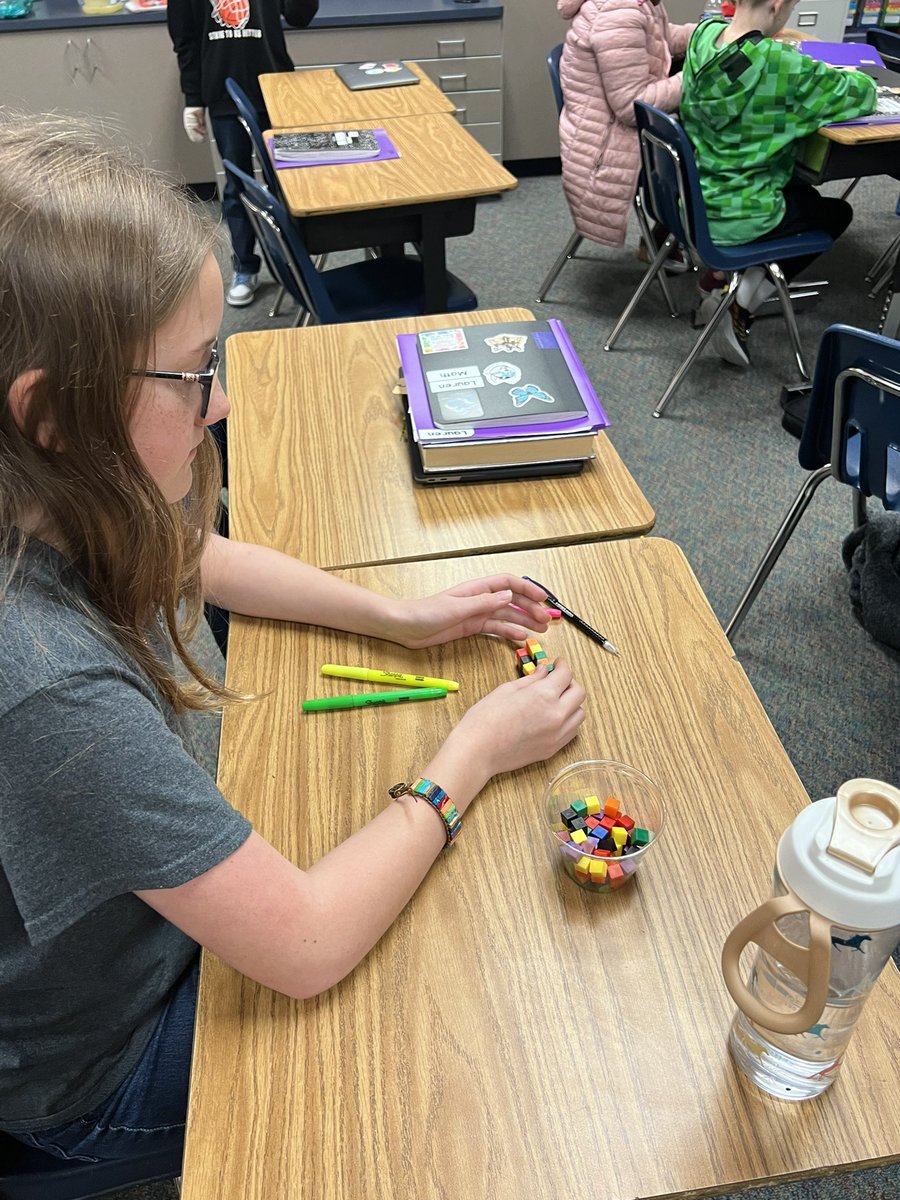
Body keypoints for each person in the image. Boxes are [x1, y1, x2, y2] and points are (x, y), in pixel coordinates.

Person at [0, 113, 587, 1163]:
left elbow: (185, 553)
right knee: (452, 1019)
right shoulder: (44, 687)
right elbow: (308, 944)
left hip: (149, 935)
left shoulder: (39, 493)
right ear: (49, 415)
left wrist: (401, 616)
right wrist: (474, 754)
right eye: (190, 376)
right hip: (96, 1065)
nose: (219, 400)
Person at [680, 0, 876, 367]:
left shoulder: (702, 38)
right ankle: (744, 302)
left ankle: (722, 280)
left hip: (696, 200)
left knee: (802, 194)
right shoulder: (780, 63)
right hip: (743, 213)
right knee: (834, 213)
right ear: (777, 5)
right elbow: (861, 92)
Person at [167, 0, 319, 308]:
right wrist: (193, 98)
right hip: (222, 89)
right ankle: (245, 267)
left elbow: (299, 16)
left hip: (273, 86)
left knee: (287, 183)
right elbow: (185, 39)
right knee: (237, 186)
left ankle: (297, 260)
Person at [556, 0, 696, 264]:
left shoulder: (639, 4)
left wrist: (711, 33)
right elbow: (633, 106)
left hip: (604, 137)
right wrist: (697, 75)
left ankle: (662, 241)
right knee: (719, 155)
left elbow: (662, 39)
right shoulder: (619, 15)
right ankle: (727, 273)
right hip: (610, 150)